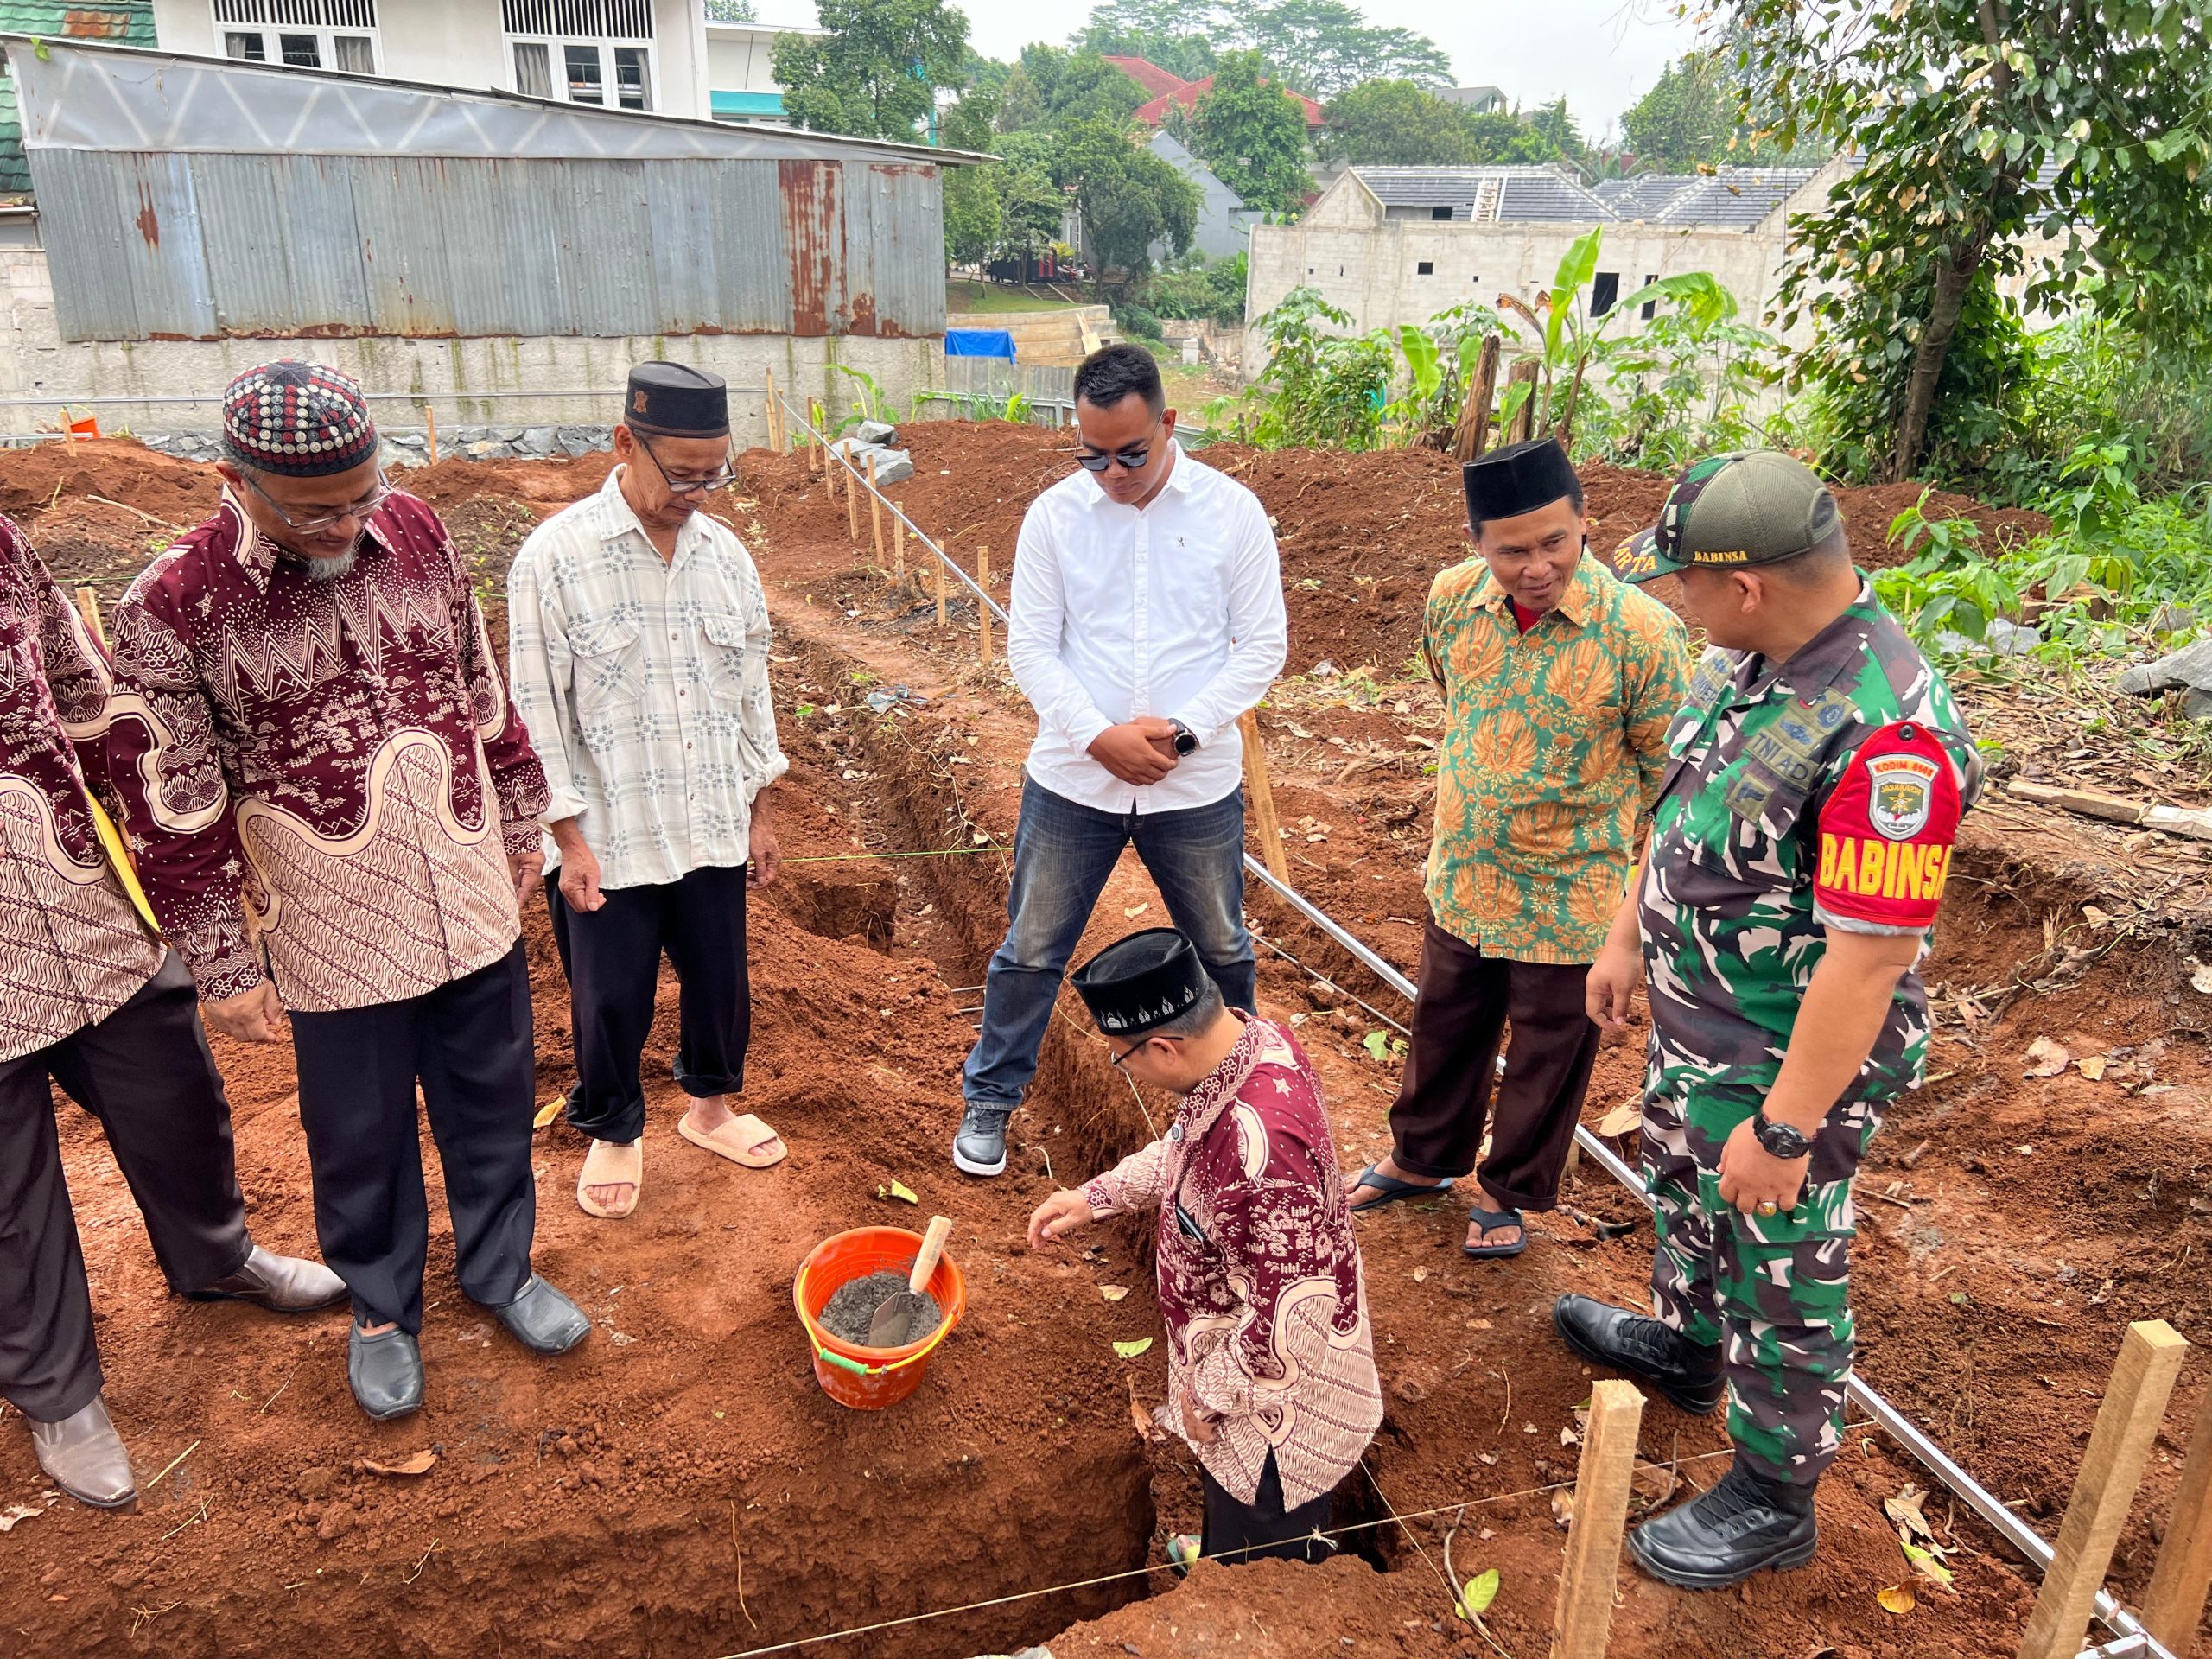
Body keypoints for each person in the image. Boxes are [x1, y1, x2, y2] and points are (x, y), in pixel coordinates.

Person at [104, 360, 589, 1424]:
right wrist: (222, 964)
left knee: (493, 1096)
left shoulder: (416, 528)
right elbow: (171, 806)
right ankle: (379, 1307)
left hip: (463, 882)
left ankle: (501, 1268)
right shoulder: (174, 605)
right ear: (234, 481)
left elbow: (479, 686)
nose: (349, 525)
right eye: (316, 511)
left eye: (364, 495)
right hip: (331, 921)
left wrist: (519, 816)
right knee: (359, 1130)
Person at [1554, 451, 1982, 1586]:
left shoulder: (1889, 737)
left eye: (1685, 582)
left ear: (1744, 585)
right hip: (1704, 1027)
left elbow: (1870, 958)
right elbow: (1686, 809)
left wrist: (1787, 1126)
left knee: (1781, 1255)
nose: (1678, 601)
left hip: (1790, 1059)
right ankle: (1691, 1349)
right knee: (1686, 1189)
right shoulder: (1748, 662)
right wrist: (1626, 936)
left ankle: (1774, 1490)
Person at [0, 516, 342, 1509]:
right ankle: (57, 1392)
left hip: (80, 900)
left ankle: (216, 1258)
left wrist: (170, 835)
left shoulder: (5, 546)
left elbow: (86, 693)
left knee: (176, 1096)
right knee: (9, 1194)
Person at [1345, 437, 1689, 1256]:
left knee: (1548, 1049)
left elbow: (1668, 770)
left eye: (1554, 542)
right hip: (1467, 870)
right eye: (1511, 552)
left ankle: (1508, 1193)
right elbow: (1453, 694)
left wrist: (1622, 883)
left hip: (1572, 889)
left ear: (1584, 523)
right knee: (1445, 1023)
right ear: (1478, 545)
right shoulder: (1452, 601)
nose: (1537, 567)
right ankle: (1422, 1159)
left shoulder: (1642, 633)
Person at [956, 342, 1287, 1178]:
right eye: (1093, 455)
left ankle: (1242, 1106)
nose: (1112, 473)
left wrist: (1185, 731)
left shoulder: (1233, 513)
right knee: (1032, 947)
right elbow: (1032, 648)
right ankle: (991, 1099)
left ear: (1169, 423)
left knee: (1221, 947)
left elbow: (1262, 646)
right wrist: (1095, 735)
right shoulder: (1053, 518)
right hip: (1074, 781)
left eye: (1131, 454)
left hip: (1193, 784)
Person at [506, 362, 789, 1221]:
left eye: (714, 474)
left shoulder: (725, 558)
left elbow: (752, 694)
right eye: (683, 473)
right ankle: (614, 1129)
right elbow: (534, 710)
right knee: (609, 995)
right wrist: (567, 839)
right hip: (610, 832)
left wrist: (760, 811)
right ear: (626, 443)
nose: (698, 493)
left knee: (719, 980)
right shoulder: (556, 559)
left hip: (709, 818)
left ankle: (711, 1108)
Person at [1028, 929, 1382, 1567]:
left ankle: (1245, 1572)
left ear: (1164, 1047)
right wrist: (1095, 1197)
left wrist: (1202, 1398)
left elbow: (1288, 1327)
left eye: (1121, 1057)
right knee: (1227, 1512)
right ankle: (1221, 1552)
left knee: (1263, 1563)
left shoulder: (1264, 1158)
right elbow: (1185, 1151)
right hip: (1236, 1379)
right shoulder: (1249, 1045)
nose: (1122, 1069)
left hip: (1274, 1424)